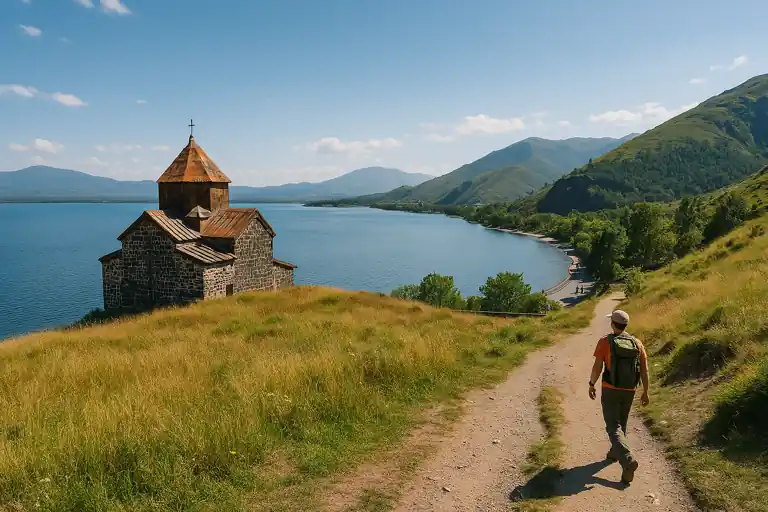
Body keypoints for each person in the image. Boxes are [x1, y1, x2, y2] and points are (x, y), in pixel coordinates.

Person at [588, 309, 650, 485]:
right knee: (621, 423)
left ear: (612, 324)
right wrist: (645, 391)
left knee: (613, 426)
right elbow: (644, 370)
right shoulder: (637, 344)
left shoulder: (605, 342)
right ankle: (615, 452)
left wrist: (591, 384)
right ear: (626, 325)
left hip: (610, 388)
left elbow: (597, 366)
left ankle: (627, 459)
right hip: (630, 389)